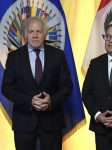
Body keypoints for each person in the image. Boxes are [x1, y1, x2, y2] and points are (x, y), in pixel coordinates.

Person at [2, 16, 73, 150]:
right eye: (31, 31)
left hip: (52, 121)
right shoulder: (14, 57)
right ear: (25, 35)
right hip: (24, 121)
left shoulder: (58, 55)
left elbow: (67, 86)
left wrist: (51, 100)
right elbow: (6, 88)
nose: (35, 35)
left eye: (39, 31)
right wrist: (29, 101)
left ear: (45, 34)